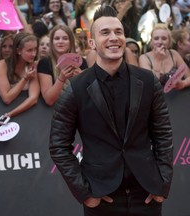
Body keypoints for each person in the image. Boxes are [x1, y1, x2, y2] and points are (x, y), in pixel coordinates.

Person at [49, 5, 173, 216]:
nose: (113, 37)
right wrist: (85, 192)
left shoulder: (147, 80)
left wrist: (162, 183)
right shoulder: (76, 87)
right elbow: (58, 145)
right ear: (92, 43)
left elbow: (163, 134)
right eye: (105, 33)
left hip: (146, 194)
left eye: (118, 32)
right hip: (101, 196)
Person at [37, 25, 87, 106]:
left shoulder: (81, 61)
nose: (60, 41)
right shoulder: (45, 62)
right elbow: (49, 100)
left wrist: (80, 80)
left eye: (65, 38)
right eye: (57, 38)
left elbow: (86, 96)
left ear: (71, 41)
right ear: (52, 42)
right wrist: (61, 79)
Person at [0, 32, 40, 119]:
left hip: (19, 115)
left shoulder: (32, 66)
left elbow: (33, 99)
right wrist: (25, 79)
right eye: (29, 50)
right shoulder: (2, 65)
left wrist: (11, 114)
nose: (34, 54)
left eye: (35, 49)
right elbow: (7, 98)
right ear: (18, 51)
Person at [139, 23, 190, 90]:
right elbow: (150, 83)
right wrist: (158, 60)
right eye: (156, 38)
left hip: (176, 97)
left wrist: (183, 83)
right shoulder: (144, 58)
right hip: (157, 98)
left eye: (164, 38)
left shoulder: (173, 54)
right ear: (151, 41)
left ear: (169, 41)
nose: (160, 42)